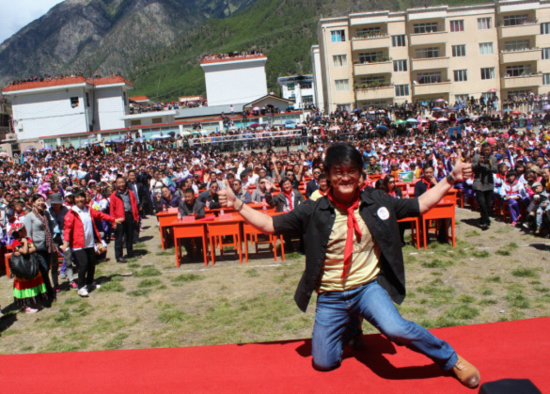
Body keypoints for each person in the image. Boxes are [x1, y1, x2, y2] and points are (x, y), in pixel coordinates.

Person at [218, 142, 480, 389]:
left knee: (395, 328)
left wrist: (451, 178)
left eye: (351, 171)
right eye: (338, 172)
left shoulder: (377, 201)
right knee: (324, 362)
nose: (345, 177)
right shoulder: (312, 209)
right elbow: (270, 225)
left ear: (360, 175)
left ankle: (450, 359)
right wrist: (237, 204)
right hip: (331, 296)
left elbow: (420, 205)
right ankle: (353, 326)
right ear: (328, 175)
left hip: (367, 288)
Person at [62, 190, 122, 297]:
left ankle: (90, 283)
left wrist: (113, 219)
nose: (80, 199)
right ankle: (81, 287)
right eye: (77, 198)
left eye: (81, 197)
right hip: (78, 244)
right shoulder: (71, 213)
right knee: (83, 264)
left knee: (92, 263)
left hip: (89, 242)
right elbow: (67, 229)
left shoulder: (88, 209)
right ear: (74, 200)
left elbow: (100, 215)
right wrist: (66, 242)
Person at [24, 194, 57, 299]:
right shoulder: (30, 216)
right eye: (38, 200)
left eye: (42, 200)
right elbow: (28, 233)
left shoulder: (46, 213)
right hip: (37, 247)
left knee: (46, 269)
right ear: (33, 203)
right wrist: (31, 247)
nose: (41, 202)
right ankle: (48, 292)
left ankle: (45, 291)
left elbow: (50, 229)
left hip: (47, 245)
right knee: (44, 269)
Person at [10, 222, 48, 313]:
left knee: (33, 284)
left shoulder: (28, 239)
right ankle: (26, 305)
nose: (26, 231)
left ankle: (34, 303)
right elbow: (25, 251)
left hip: (31, 266)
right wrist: (25, 244)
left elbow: (34, 248)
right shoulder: (15, 242)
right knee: (26, 286)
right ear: (19, 232)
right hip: (22, 269)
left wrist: (26, 248)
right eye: (24, 230)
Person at [110, 177, 141, 263]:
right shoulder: (114, 195)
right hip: (119, 218)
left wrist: (136, 217)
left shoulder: (130, 193)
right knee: (119, 238)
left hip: (129, 215)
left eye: (122, 182)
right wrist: (113, 221)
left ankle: (130, 252)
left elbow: (135, 206)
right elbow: (112, 210)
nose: (121, 184)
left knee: (129, 236)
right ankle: (119, 256)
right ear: (116, 184)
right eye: (119, 183)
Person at [472, 143, 498, 229]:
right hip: (479, 182)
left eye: (488, 150)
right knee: (481, 203)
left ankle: (483, 218)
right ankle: (487, 221)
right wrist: (478, 163)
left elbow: (495, 170)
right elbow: (473, 169)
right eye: (485, 150)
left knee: (487, 204)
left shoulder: (493, 158)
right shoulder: (476, 157)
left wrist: (489, 165)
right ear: (482, 149)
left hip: (489, 183)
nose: (486, 152)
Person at [178, 188, 206, 260]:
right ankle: (189, 253)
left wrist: (196, 216)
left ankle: (199, 252)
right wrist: (189, 217)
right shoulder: (182, 204)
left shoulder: (199, 204)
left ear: (193, 196)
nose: (187, 199)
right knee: (184, 237)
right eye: (186, 197)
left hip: (197, 226)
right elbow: (182, 215)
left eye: (189, 196)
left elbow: (202, 214)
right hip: (186, 226)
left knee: (200, 236)